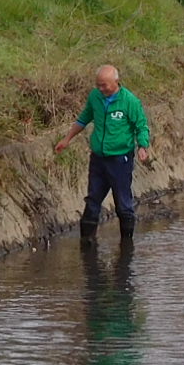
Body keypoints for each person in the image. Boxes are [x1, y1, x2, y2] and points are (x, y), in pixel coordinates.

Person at [52, 64, 153, 240]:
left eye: (104, 85)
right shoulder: (95, 97)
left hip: (120, 160)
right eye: (98, 85)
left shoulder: (130, 101)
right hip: (98, 159)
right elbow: (83, 119)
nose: (101, 88)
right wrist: (67, 139)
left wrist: (143, 146)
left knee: (123, 204)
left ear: (116, 82)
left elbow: (141, 126)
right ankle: (87, 243)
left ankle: (126, 246)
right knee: (92, 201)